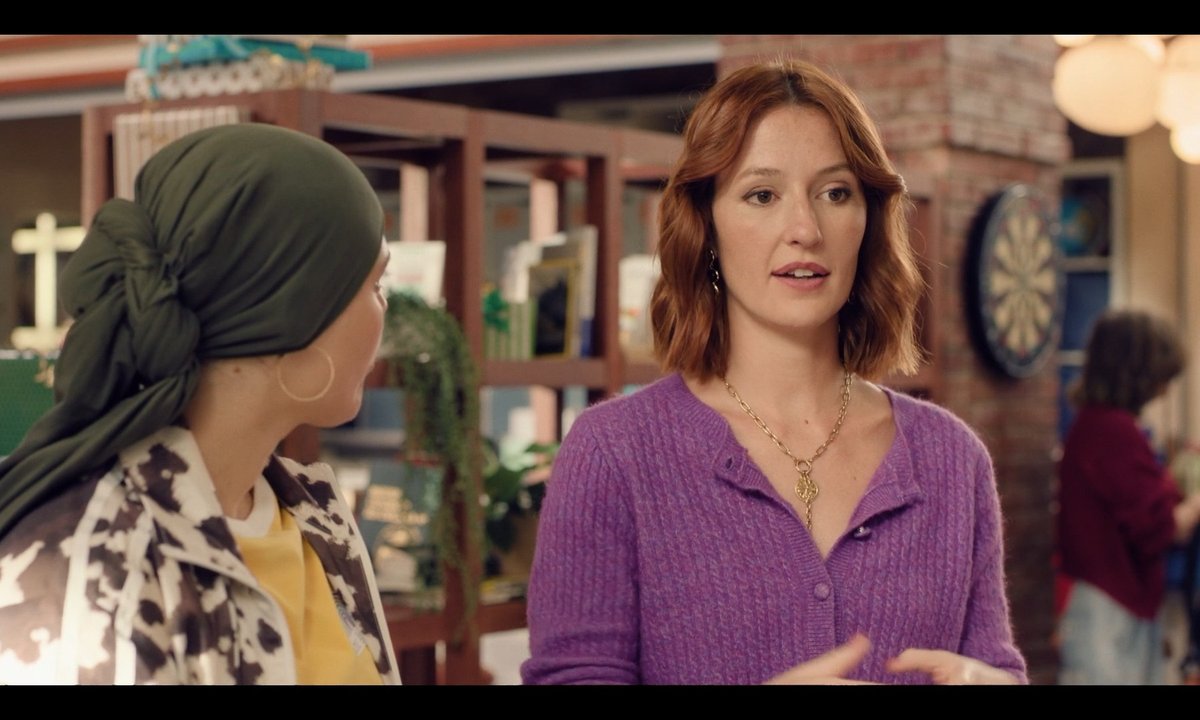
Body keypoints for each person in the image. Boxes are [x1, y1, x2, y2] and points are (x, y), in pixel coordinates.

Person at [521, 59, 1027, 685]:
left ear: (867, 221)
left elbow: (992, 666)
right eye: (762, 195)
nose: (805, 230)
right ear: (706, 225)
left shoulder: (951, 458)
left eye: (835, 193)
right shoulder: (614, 453)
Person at [0, 123, 401, 684]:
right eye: (376, 285)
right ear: (292, 309)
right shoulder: (97, 561)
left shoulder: (315, 516)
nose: (386, 311)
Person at [1056, 309, 1200, 685]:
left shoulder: (1104, 426)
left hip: (1120, 605)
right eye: (1161, 377)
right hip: (1109, 608)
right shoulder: (1112, 431)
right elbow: (1163, 528)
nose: (1165, 390)